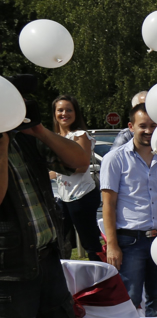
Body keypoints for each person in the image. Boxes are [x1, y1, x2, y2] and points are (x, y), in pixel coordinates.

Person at [0, 78, 117, 318]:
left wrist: (36, 128)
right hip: (9, 269)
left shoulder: (26, 137)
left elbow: (79, 162)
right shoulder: (4, 141)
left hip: (47, 257)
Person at [100, 104, 157, 318]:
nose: (148, 131)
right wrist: (112, 245)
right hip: (130, 241)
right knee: (130, 299)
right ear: (131, 126)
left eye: (153, 126)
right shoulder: (115, 158)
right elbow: (108, 204)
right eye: (142, 126)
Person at [47, 95, 102, 261]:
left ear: (76, 113)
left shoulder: (80, 135)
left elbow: (82, 166)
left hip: (82, 195)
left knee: (90, 243)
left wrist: (54, 170)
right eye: (60, 110)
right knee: (59, 240)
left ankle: (103, 273)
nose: (64, 114)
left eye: (69, 110)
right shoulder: (54, 137)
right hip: (63, 197)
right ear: (54, 113)